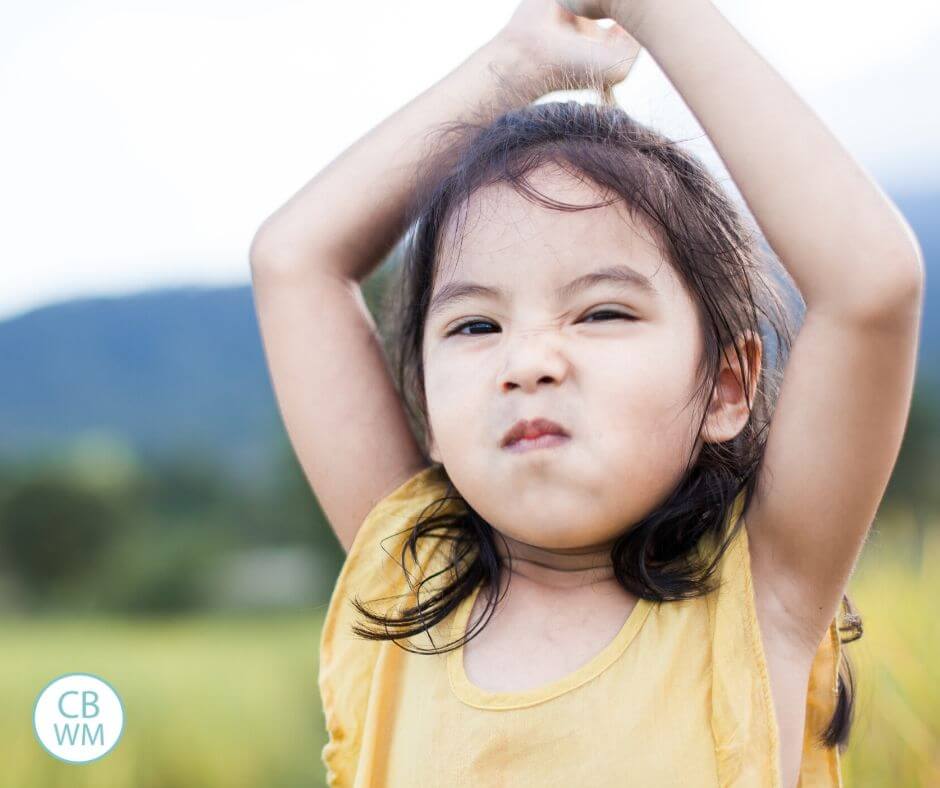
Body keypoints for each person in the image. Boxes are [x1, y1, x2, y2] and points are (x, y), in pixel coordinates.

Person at [248, 1, 924, 785]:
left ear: (727, 386)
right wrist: (516, 64)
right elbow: (292, 261)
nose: (528, 361)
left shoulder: (760, 594)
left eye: (602, 311)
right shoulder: (407, 581)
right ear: (426, 407)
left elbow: (871, 286)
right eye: (474, 326)